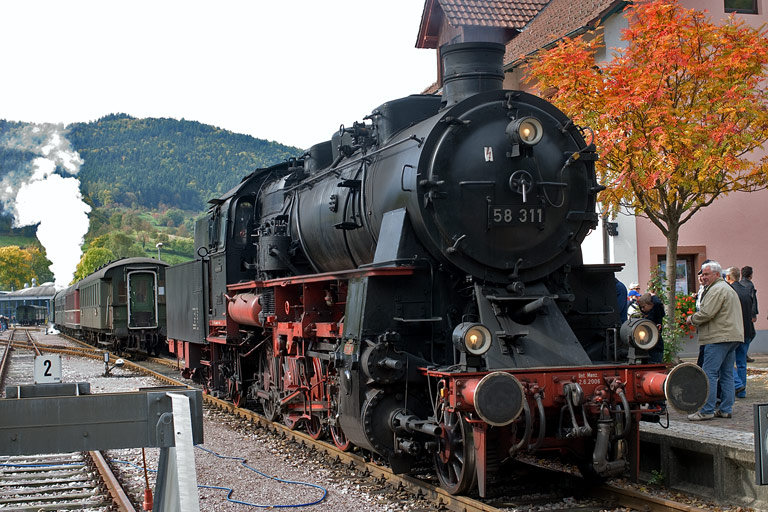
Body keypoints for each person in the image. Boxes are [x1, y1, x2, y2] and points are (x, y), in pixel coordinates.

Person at [685, 261, 743, 421]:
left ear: (717, 274)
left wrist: (691, 319)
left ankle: (707, 410)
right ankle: (725, 409)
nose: (703, 277)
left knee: (708, 373)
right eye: (702, 274)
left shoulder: (716, 289)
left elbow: (707, 313)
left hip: (718, 337)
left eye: (706, 274)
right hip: (732, 336)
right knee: (727, 374)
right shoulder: (726, 288)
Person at [726, 267, 755, 398]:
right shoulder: (747, 289)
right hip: (747, 330)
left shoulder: (729, 291)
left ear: (728, 277)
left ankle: (737, 385)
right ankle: (742, 391)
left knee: (726, 360)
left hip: (735, 331)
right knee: (742, 362)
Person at [637, 293, 665, 363]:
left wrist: (654, 296)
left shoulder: (656, 311)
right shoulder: (646, 313)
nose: (642, 309)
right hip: (647, 343)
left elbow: (658, 303)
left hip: (656, 344)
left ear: (651, 304)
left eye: (644, 306)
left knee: (655, 361)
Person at [740, 266, 758, 362]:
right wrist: (753, 314)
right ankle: (744, 354)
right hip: (748, 314)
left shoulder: (740, 284)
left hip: (741, 314)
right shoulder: (749, 285)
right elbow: (753, 301)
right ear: (750, 275)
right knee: (751, 334)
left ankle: (743, 353)